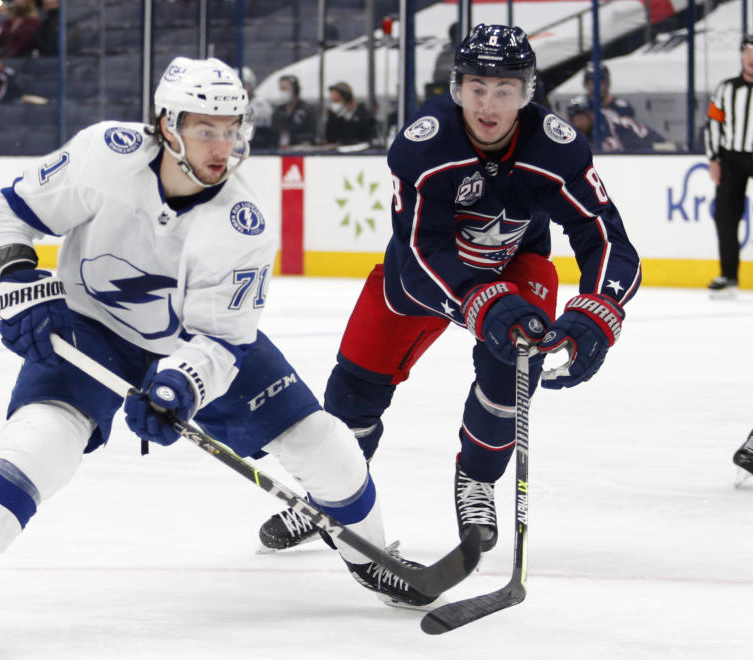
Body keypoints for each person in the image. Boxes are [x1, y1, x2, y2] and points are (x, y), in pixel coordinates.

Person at [0, 56, 439, 658]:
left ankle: (372, 556)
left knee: (321, 442)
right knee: (41, 439)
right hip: (91, 326)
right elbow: (13, 213)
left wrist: (181, 385)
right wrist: (19, 278)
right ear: (167, 125)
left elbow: (224, 340)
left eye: (232, 128)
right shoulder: (105, 155)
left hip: (189, 341)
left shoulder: (243, 223)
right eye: (206, 128)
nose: (222, 145)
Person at [258, 25, 642, 555]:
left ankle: (477, 482)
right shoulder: (424, 145)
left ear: (528, 93)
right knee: (352, 393)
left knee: (510, 376)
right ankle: (329, 497)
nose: (488, 104)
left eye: (505, 89)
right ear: (457, 87)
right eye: (477, 87)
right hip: (423, 279)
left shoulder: (556, 147)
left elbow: (605, 239)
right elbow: (420, 254)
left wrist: (598, 312)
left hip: (516, 267)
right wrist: (482, 302)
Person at [703, 34, 753, 297]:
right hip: (731, 159)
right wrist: (714, 158)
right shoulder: (726, 88)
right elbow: (714, 122)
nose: (752, 57)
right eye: (747, 51)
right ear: (740, 55)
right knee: (725, 217)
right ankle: (729, 276)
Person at [565, 94, 665, 153]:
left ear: (591, 115)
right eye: (573, 120)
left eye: (580, 119)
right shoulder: (581, 134)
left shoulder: (609, 124)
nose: (577, 124)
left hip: (651, 151)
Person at [324, 81, 376, 147]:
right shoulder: (333, 116)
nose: (335, 105)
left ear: (347, 99)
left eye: (337, 101)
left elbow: (370, 138)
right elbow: (330, 139)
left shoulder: (364, 115)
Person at [271, 74, 316, 148]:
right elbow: (273, 134)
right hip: (279, 152)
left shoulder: (307, 110)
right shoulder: (277, 112)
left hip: (301, 151)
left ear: (295, 90)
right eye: (281, 89)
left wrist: (293, 137)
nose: (282, 92)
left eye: (285, 88)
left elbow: (312, 135)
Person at [240, 66, 274, 149]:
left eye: (245, 85)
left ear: (251, 85)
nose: (242, 88)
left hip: (256, 146)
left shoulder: (261, 104)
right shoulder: (231, 103)